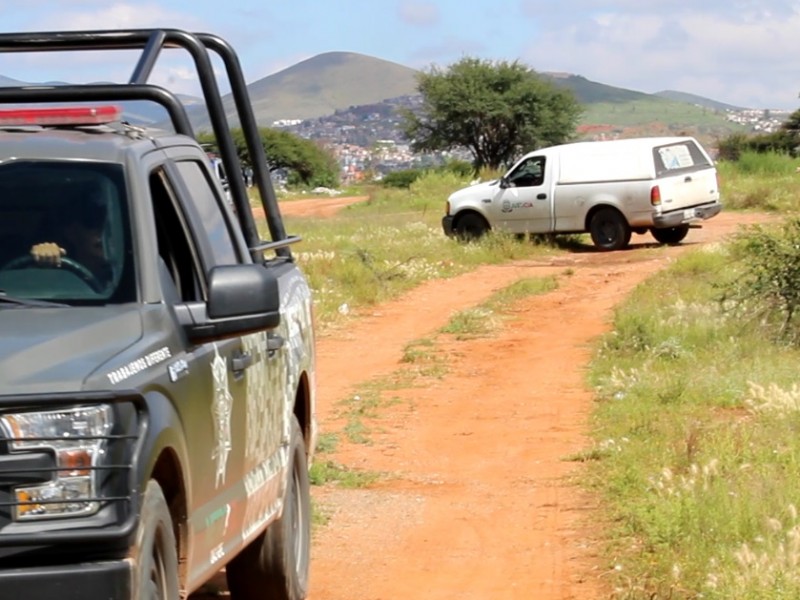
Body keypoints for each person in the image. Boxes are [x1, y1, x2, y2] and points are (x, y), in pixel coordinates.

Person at [30, 191, 113, 289]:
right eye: (92, 222)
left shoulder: (126, 273)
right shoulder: (59, 276)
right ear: (71, 232)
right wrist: (44, 263)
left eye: (109, 226)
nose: (102, 231)